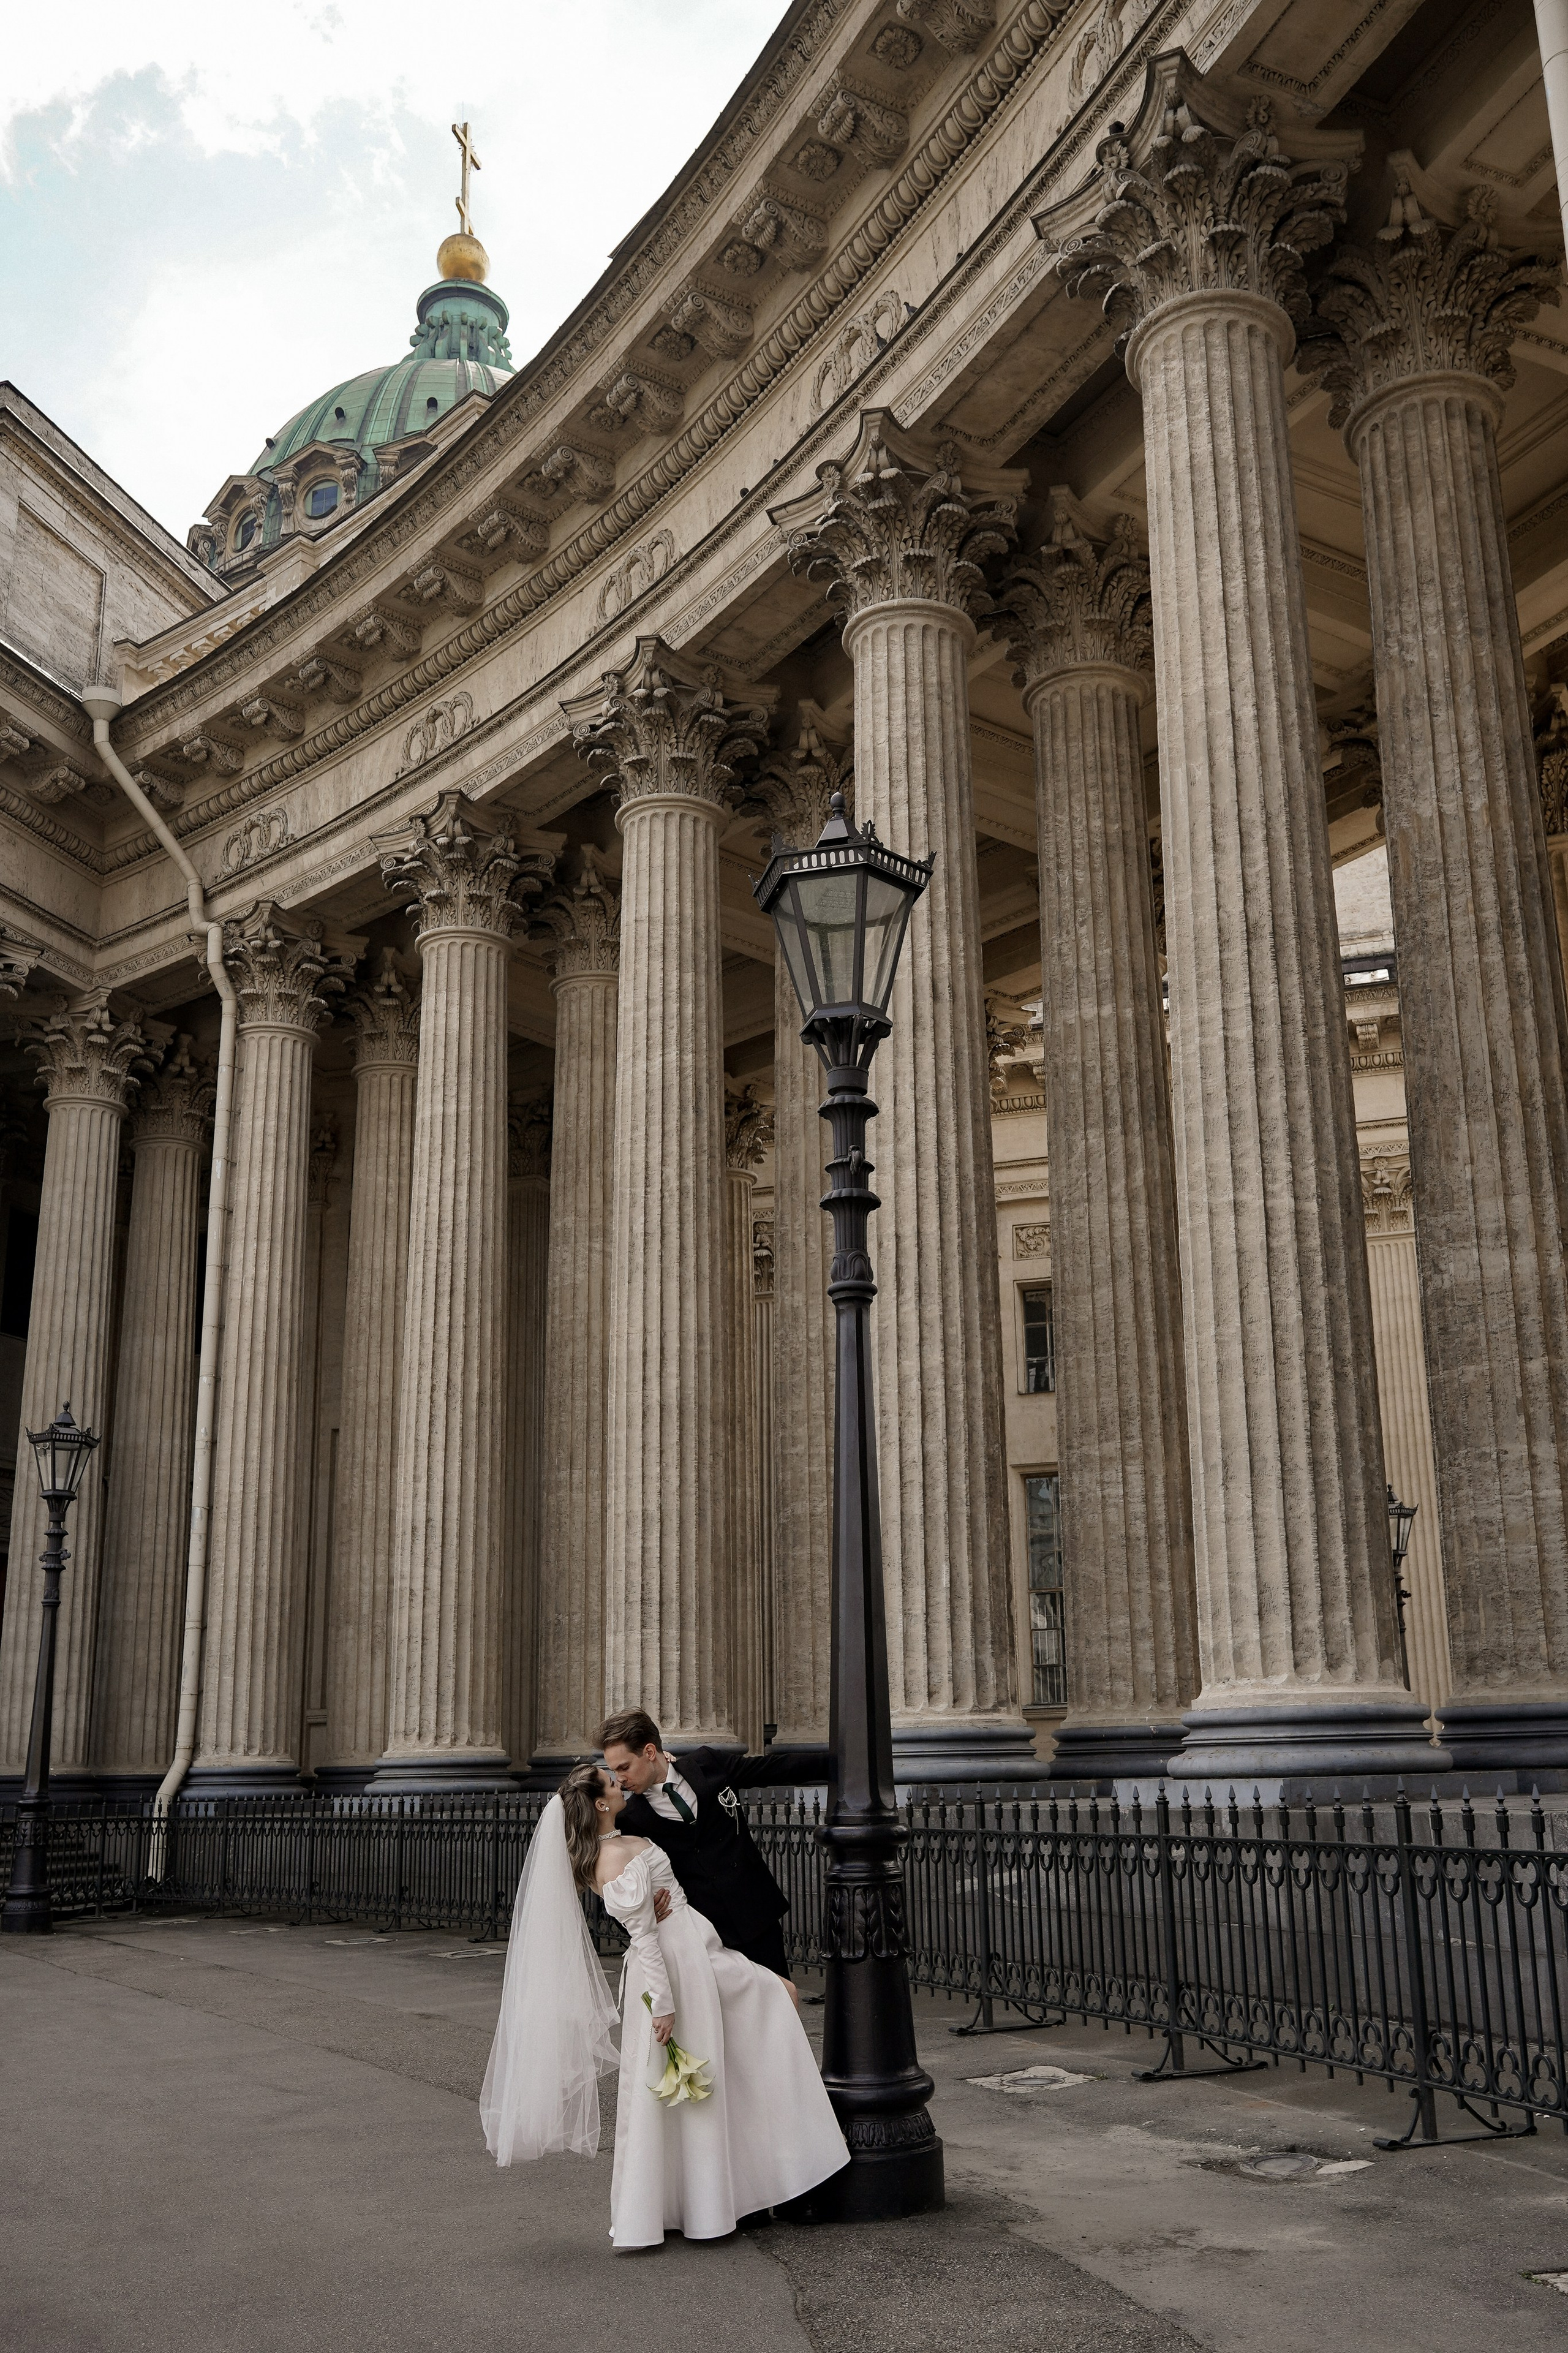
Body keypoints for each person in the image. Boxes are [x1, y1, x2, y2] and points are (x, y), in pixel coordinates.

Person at [480, 1764, 847, 2249]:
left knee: (726, 2055)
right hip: (675, 1970)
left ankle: (737, 2188)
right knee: (751, 2023)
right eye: (611, 1782)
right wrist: (664, 2007)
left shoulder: (621, 1840)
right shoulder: (611, 1858)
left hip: (696, 1953)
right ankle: (713, 2199)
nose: (619, 1782)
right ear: (600, 1804)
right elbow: (645, 1940)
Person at [600, 1707, 826, 1982]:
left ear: (649, 1752)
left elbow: (773, 1770)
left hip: (755, 1913)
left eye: (624, 1767)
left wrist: (845, 1763)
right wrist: (643, 1919)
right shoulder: (630, 1818)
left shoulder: (707, 1764)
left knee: (782, 2007)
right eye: (614, 1771)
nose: (620, 1778)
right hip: (705, 1935)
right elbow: (613, 1884)